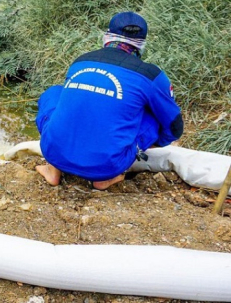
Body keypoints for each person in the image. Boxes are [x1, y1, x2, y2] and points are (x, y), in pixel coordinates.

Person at [35, 11, 183, 190]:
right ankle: (105, 176)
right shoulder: (150, 75)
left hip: (52, 151)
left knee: (55, 93)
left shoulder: (81, 61)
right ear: (142, 43)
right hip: (107, 166)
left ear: (107, 35)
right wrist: (146, 143)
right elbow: (174, 127)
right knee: (154, 116)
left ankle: (53, 170)